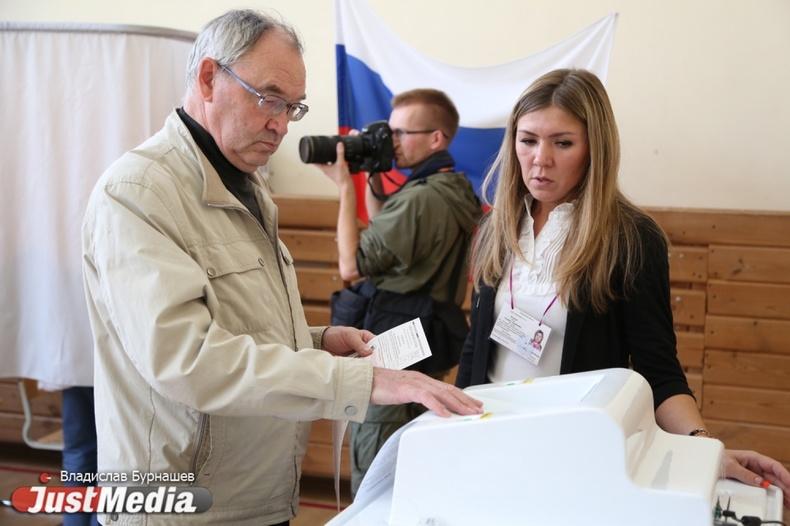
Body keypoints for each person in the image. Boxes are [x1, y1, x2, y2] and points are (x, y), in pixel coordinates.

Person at [81, 10, 481, 526]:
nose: (281, 124)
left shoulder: (246, 185)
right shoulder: (138, 194)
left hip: (254, 493)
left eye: (292, 107)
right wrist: (361, 383)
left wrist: (315, 341)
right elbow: (187, 360)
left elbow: (239, 327)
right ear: (208, 78)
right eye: (268, 98)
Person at [456, 68, 790, 506]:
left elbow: (658, 369)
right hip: (488, 448)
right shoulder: (497, 227)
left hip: (574, 458)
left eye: (563, 143)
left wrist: (705, 449)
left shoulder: (630, 238)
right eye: (528, 139)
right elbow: (475, 351)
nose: (540, 159)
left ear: (595, 148)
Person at [319, 89, 481, 495]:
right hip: (423, 335)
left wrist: (344, 187)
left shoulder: (422, 198)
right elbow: (387, 234)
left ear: (436, 138)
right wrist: (373, 172)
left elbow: (351, 266)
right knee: (413, 454)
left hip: (393, 339)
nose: (390, 142)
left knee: (375, 457)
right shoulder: (449, 187)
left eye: (400, 134)